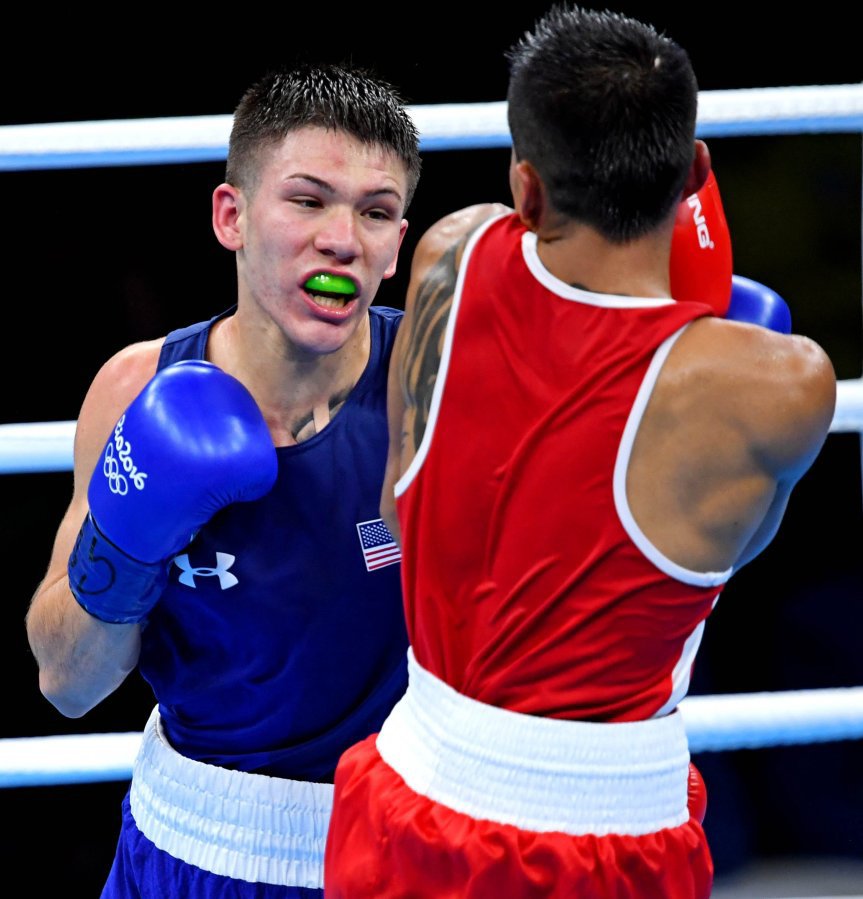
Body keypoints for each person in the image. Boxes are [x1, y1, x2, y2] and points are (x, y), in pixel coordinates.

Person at [323, 6, 837, 898]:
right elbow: (730, 555)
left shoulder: (447, 254)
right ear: (697, 174)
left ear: (526, 189)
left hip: (405, 793)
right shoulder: (778, 384)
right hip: (603, 835)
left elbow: (403, 506)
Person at [25, 61, 421, 898]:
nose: (342, 238)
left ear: (395, 243)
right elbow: (65, 682)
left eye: (375, 212)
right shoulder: (137, 388)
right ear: (231, 215)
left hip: (399, 848)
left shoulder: (435, 386)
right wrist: (129, 538)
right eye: (308, 199)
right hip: (190, 842)